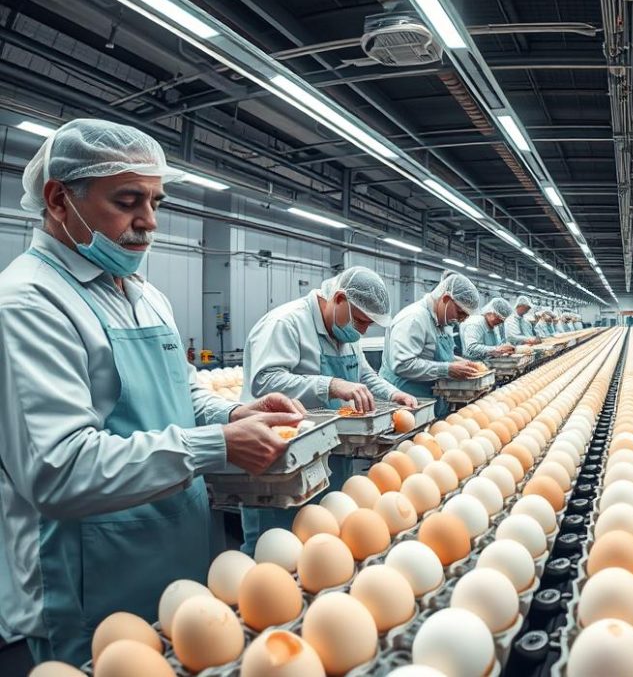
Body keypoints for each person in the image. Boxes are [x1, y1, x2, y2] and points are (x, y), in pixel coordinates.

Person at [0, 120, 300, 664]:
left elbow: (182, 393)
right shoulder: (29, 304)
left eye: (156, 201)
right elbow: (57, 469)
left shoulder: (144, 294)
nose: (149, 221)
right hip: (87, 579)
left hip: (174, 555)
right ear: (58, 199)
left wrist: (234, 410)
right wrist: (218, 445)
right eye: (128, 200)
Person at [240, 265, 417, 551]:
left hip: (331, 451)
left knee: (326, 540)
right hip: (284, 460)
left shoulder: (346, 334)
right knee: (277, 547)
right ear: (339, 299)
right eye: (360, 321)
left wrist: (394, 393)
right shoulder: (286, 323)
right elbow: (265, 380)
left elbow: (364, 376)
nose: (362, 330)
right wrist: (331, 385)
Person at [381, 271, 482, 411]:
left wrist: (457, 361)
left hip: (431, 400)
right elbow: (402, 364)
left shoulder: (443, 322)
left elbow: (436, 356)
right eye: (460, 313)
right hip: (407, 403)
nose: (463, 319)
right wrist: (448, 369)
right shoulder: (413, 319)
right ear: (446, 299)